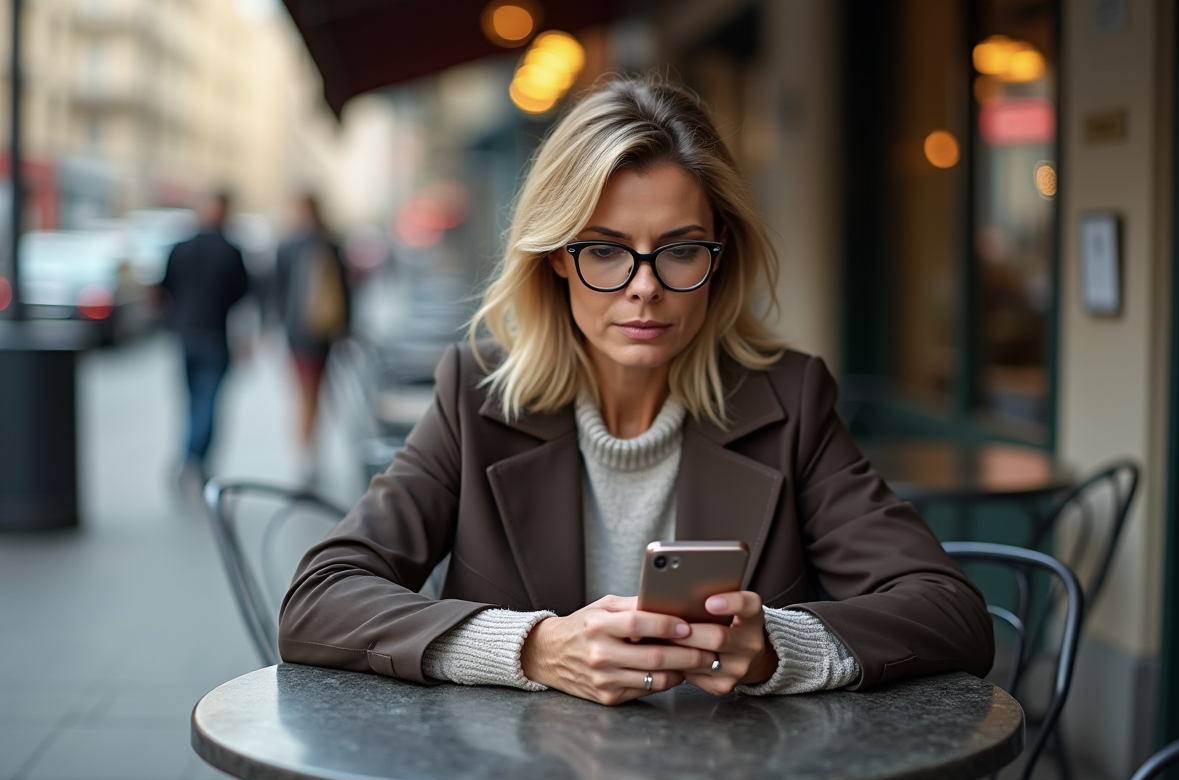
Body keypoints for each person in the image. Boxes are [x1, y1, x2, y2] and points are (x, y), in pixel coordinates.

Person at [279, 76, 994, 706]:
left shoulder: (789, 400)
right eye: (605, 250)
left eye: (680, 250)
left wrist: (776, 647)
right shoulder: (476, 395)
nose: (645, 286)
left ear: (721, 256)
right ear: (557, 257)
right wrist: (532, 649)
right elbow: (319, 602)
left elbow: (949, 612)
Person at [159, 191, 249, 492]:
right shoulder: (230, 250)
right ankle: (194, 461)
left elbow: (165, 287)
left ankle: (190, 460)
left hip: (185, 333)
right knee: (207, 402)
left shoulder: (181, 248)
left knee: (192, 401)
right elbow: (242, 293)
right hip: (214, 333)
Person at [273, 193, 351, 483]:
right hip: (324, 333)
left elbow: (277, 293)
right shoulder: (330, 244)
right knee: (315, 393)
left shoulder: (289, 245)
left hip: (299, 333)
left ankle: (305, 453)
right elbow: (346, 293)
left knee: (304, 394)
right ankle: (311, 451)